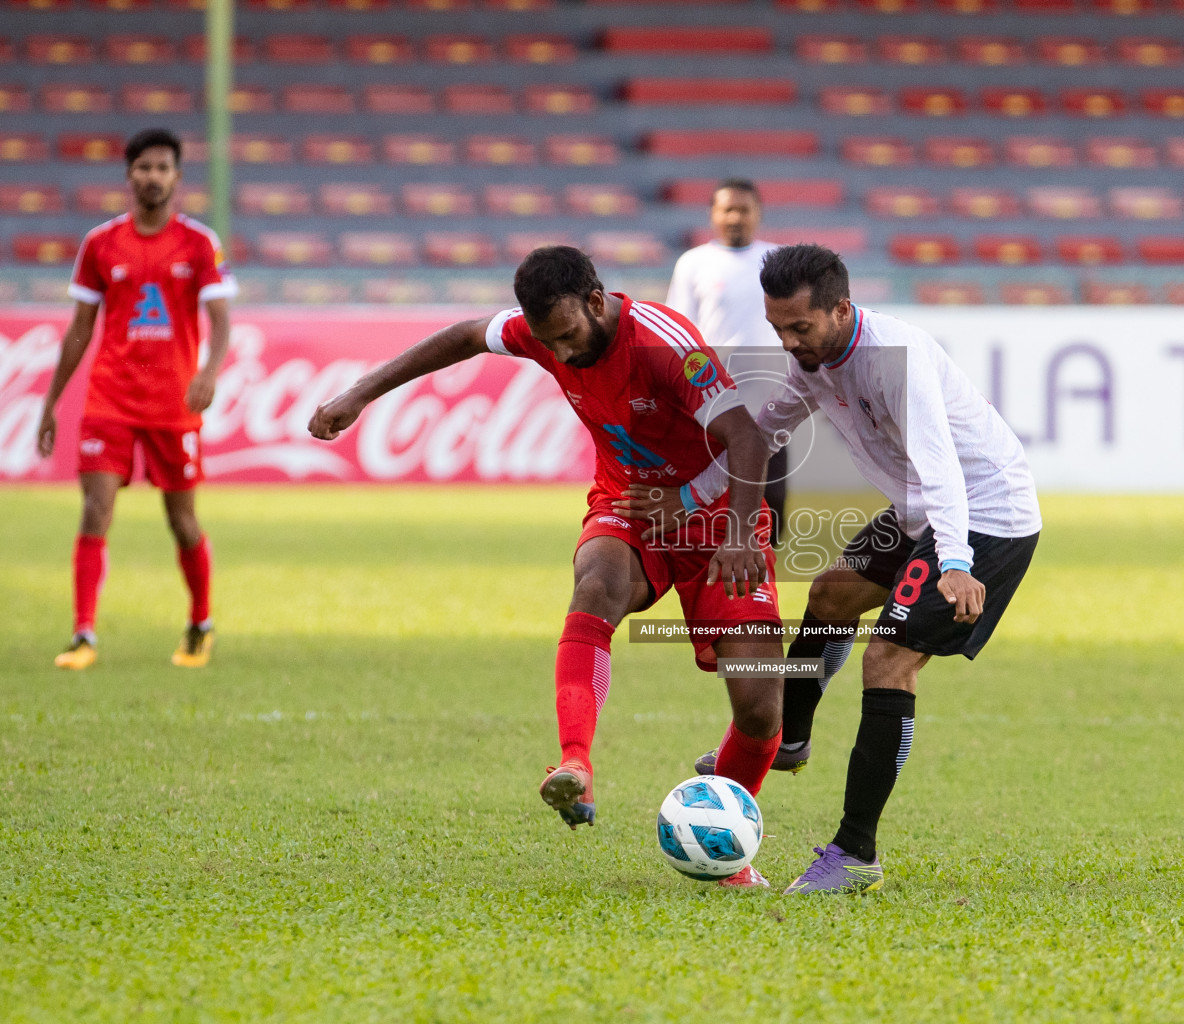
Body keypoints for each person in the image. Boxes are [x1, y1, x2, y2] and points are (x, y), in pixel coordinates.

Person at [308, 246, 784, 889]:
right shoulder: (540, 330)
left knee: (759, 709)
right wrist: (358, 394)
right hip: (629, 504)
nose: (559, 356)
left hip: (722, 515)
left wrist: (730, 529)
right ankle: (575, 763)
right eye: (545, 343)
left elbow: (748, 437)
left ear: (595, 301)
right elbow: (461, 336)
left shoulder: (667, 345)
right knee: (596, 584)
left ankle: (726, 847)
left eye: (567, 338)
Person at [621, 245, 1042, 894]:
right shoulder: (814, 363)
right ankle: (790, 737)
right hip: (917, 515)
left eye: (800, 328)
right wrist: (684, 499)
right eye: (778, 329)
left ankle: (855, 853)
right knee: (830, 596)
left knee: (889, 660)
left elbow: (942, 467)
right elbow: (759, 437)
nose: (789, 343)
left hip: (983, 518)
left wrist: (955, 562)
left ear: (841, 309)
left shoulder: (892, 359)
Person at [36, 127, 237, 671]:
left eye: (162, 167)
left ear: (176, 175)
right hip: (111, 399)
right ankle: (83, 635)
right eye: (143, 167)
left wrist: (210, 372)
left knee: (182, 520)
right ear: (128, 174)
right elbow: (80, 328)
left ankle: (200, 623)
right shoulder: (101, 243)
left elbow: (221, 321)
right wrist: (51, 401)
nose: (152, 176)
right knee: (96, 508)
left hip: (175, 402)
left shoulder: (199, 243)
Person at [665, 179, 790, 546]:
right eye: (727, 209)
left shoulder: (779, 261)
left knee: (773, 489)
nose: (735, 217)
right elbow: (679, 330)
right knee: (710, 479)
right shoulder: (693, 263)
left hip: (772, 392)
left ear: (758, 214)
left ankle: (765, 556)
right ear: (713, 215)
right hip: (714, 393)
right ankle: (711, 548)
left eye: (743, 209)